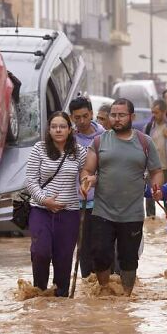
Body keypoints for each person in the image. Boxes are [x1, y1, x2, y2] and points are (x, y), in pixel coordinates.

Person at [80, 98, 164, 296]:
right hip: (103, 210)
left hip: (132, 213)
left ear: (131, 117)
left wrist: (157, 187)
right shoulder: (99, 141)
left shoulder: (145, 142)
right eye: (113, 115)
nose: (116, 119)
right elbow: (87, 169)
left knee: (128, 259)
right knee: (100, 254)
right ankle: (104, 291)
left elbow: (156, 170)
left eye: (121, 115)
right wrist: (87, 180)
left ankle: (127, 297)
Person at [26, 111, 88, 297]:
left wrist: (85, 182)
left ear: (70, 130)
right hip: (40, 210)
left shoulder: (79, 151)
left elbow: (87, 172)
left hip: (69, 213)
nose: (58, 130)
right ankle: (39, 292)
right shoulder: (39, 149)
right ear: (49, 129)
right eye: (54, 127)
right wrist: (44, 200)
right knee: (41, 252)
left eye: (62, 127)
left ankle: (60, 299)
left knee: (64, 259)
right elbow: (30, 180)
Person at [69, 96, 105, 278]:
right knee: (82, 249)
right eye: (77, 118)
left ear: (91, 113)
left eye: (85, 116)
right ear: (71, 118)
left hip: (101, 202)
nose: (82, 121)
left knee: (101, 248)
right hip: (77, 203)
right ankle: (87, 286)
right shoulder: (68, 139)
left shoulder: (104, 137)